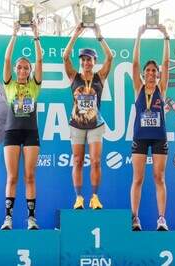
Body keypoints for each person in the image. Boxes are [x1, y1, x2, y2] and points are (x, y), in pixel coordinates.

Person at [63, 23, 113, 209]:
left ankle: (94, 197)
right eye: (83, 60)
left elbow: (110, 57)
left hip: (95, 126)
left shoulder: (100, 77)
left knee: (96, 161)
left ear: (94, 61)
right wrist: (75, 34)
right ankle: (78, 198)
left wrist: (99, 35)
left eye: (89, 60)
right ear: (80, 62)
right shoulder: (74, 76)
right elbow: (65, 56)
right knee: (77, 161)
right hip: (76, 125)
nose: (86, 63)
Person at [0, 21, 42, 230]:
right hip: (12, 132)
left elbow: (40, 58)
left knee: (30, 176)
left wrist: (36, 35)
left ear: (30, 70)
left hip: (31, 132)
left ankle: (31, 218)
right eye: (20, 67)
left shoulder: (34, 86)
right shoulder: (10, 84)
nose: (23, 70)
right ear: (16, 70)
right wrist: (14, 33)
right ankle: (8, 218)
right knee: (12, 176)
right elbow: (7, 58)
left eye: (26, 67)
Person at [130, 24, 170, 231]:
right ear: (144, 74)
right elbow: (135, 63)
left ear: (158, 73)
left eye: (155, 70)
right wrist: (139, 35)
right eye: (148, 70)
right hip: (140, 136)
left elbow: (166, 62)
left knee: (159, 177)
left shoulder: (161, 89)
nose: (151, 72)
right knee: (138, 178)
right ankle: (134, 218)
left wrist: (165, 37)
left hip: (159, 137)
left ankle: (161, 218)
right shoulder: (139, 88)